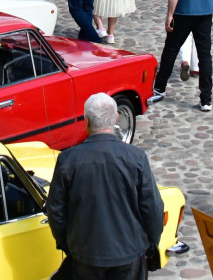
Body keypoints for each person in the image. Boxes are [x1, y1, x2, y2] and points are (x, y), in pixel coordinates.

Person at [46, 93, 163, 280]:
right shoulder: (136, 157)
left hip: (85, 255)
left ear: (86, 121)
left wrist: (66, 244)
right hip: (129, 254)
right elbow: (152, 208)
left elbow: (56, 210)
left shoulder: (68, 160)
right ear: (116, 119)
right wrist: (150, 244)